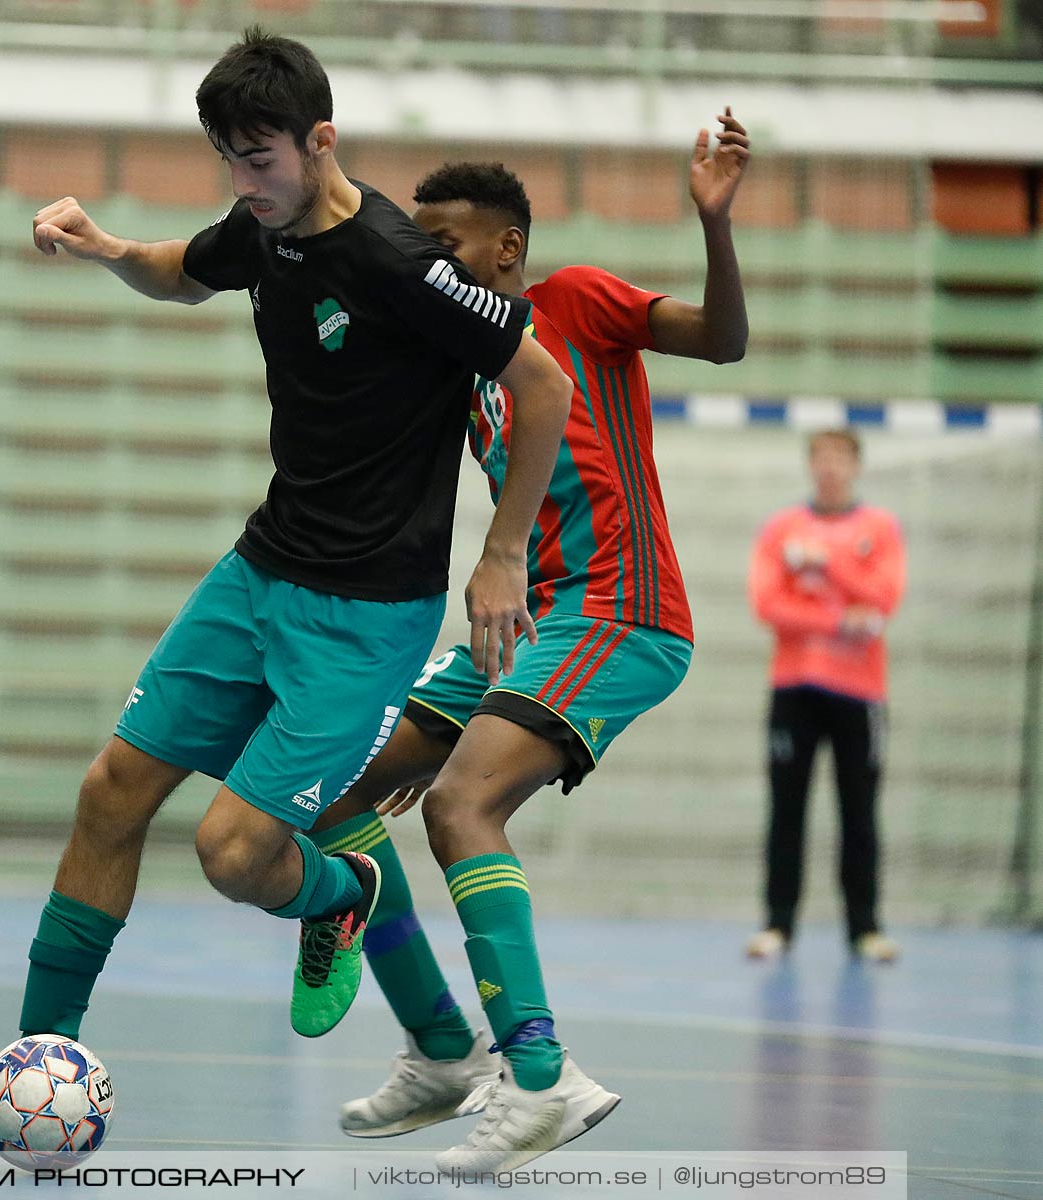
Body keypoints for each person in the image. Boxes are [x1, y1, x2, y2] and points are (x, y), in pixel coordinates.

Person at [0, 28, 575, 1134]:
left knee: (231, 854)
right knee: (109, 793)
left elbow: (540, 382)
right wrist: (105, 245)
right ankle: (20, 1075)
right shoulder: (265, 229)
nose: (241, 182)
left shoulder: (402, 265)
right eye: (227, 158)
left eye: (258, 158)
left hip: (365, 619)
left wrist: (501, 553)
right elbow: (183, 273)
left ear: (320, 141)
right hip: (259, 573)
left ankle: (343, 893)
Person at [305, 110, 752, 1170]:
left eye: (443, 240)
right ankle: (440, 1046)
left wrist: (714, 225)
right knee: (325, 804)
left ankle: (542, 1076)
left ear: (505, 247)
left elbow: (723, 341)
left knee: (461, 805)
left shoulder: (575, 301)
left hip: (619, 612)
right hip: (526, 630)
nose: (426, 258)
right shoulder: (455, 360)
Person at [745, 429, 906, 963]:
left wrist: (821, 563)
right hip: (794, 688)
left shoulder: (878, 529)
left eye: (841, 458)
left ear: (855, 465)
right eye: (822, 458)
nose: (831, 468)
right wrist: (840, 617)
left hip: (860, 692)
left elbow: (883, 599)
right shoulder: (781, 529)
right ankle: (777, 925)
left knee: (859, 810)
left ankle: (865, 928)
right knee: (786, 809)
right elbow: (769, 604)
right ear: (810, 465)